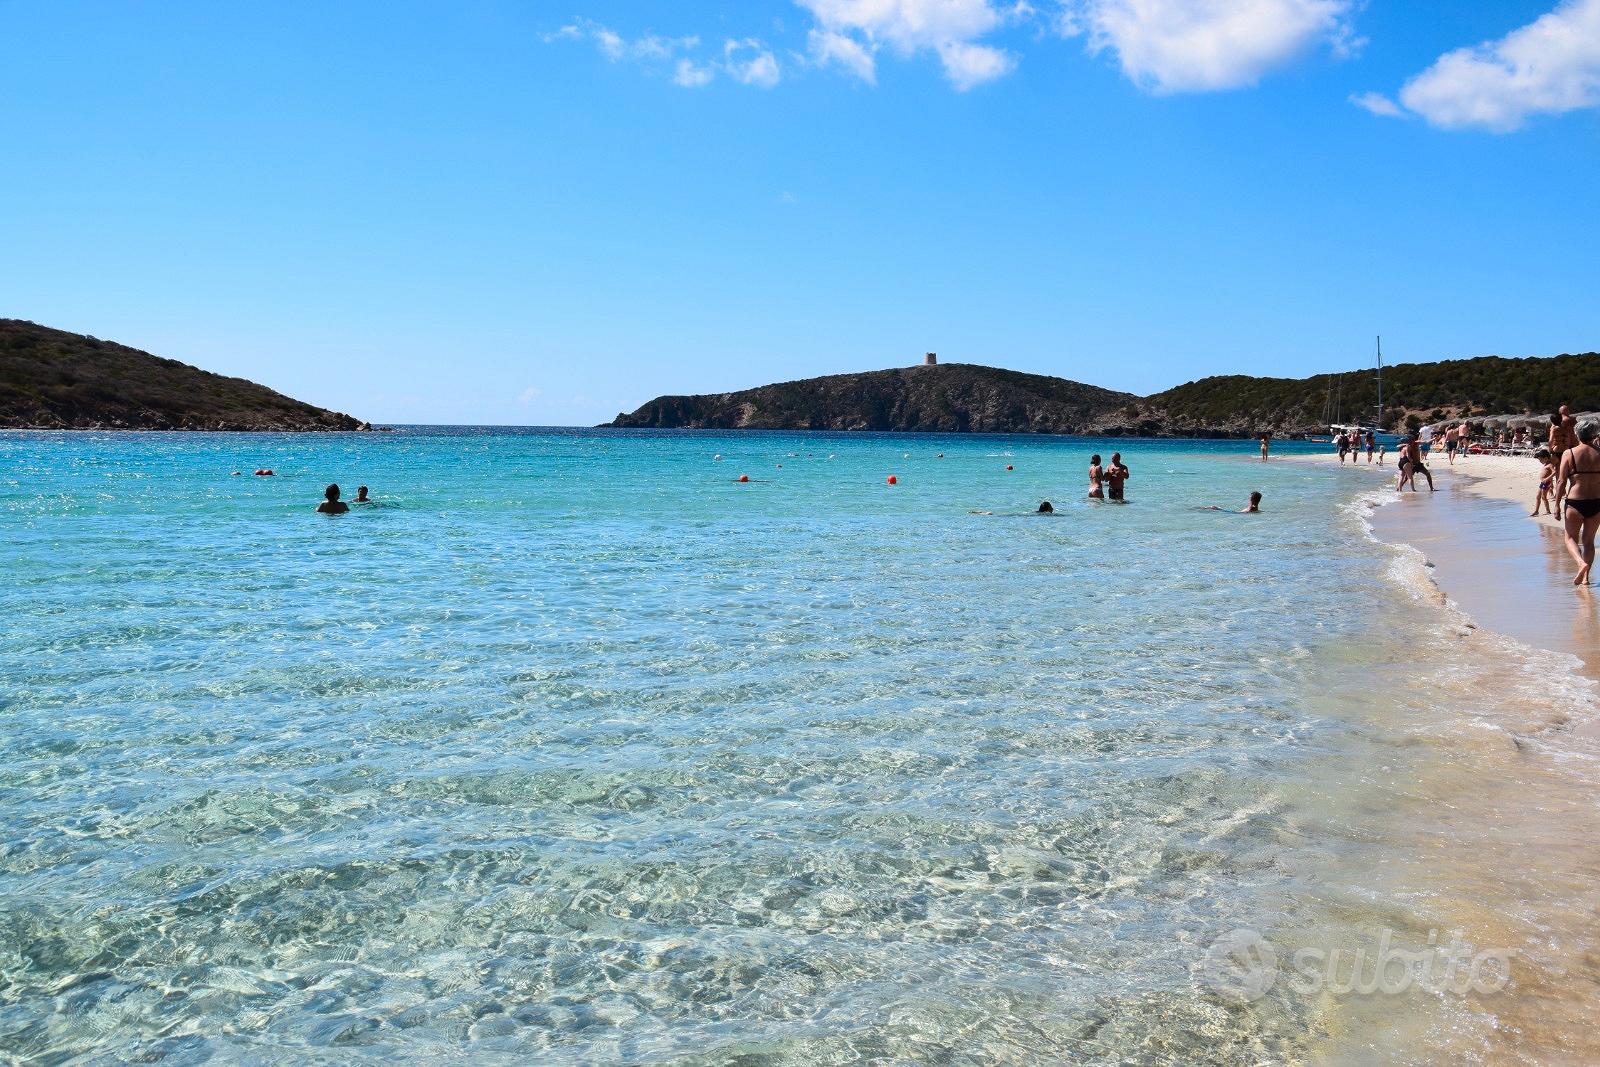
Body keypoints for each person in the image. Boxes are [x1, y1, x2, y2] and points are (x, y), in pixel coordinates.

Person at [1557, 421, 1600, 586]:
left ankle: (1580, 563)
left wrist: (1556, 506)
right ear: (1595, 434)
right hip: (1596, 502)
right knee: (1588, 542)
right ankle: (1586, 578)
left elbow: (1561, 481)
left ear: (1577, 434)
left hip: (1576, 502)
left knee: (1570, 538)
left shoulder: (1570, 453)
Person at [1532, 449, 1555, 517]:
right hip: (1543, 483)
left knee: (1543, 497)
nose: (1540, 461)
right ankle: (1536, 511)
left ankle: (1548, 511)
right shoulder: (1546, 464)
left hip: (1546, 483)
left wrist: (1548, 479)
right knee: (1538, 497)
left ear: (1546, 458)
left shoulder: (1550, 465)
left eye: (1540, 460)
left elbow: (1554, 472)